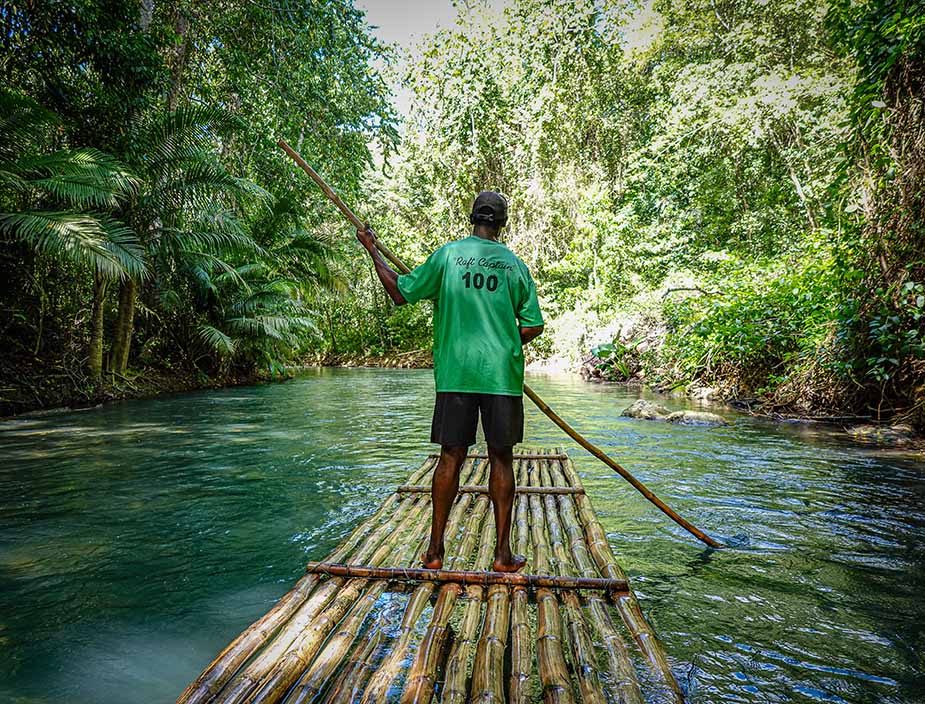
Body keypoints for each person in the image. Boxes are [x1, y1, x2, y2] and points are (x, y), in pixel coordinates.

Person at [356, 191, 544, 573]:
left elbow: (399, 291)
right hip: (501, 377)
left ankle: (435, 552)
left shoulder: (447, 257)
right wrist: (505, 341)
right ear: (502, 223)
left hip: (456, 374)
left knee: (451, 456)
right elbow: (533, 325)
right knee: (501, 457)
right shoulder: (515, 267)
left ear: (472, 218)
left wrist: (372, 250)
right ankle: (502, 556)